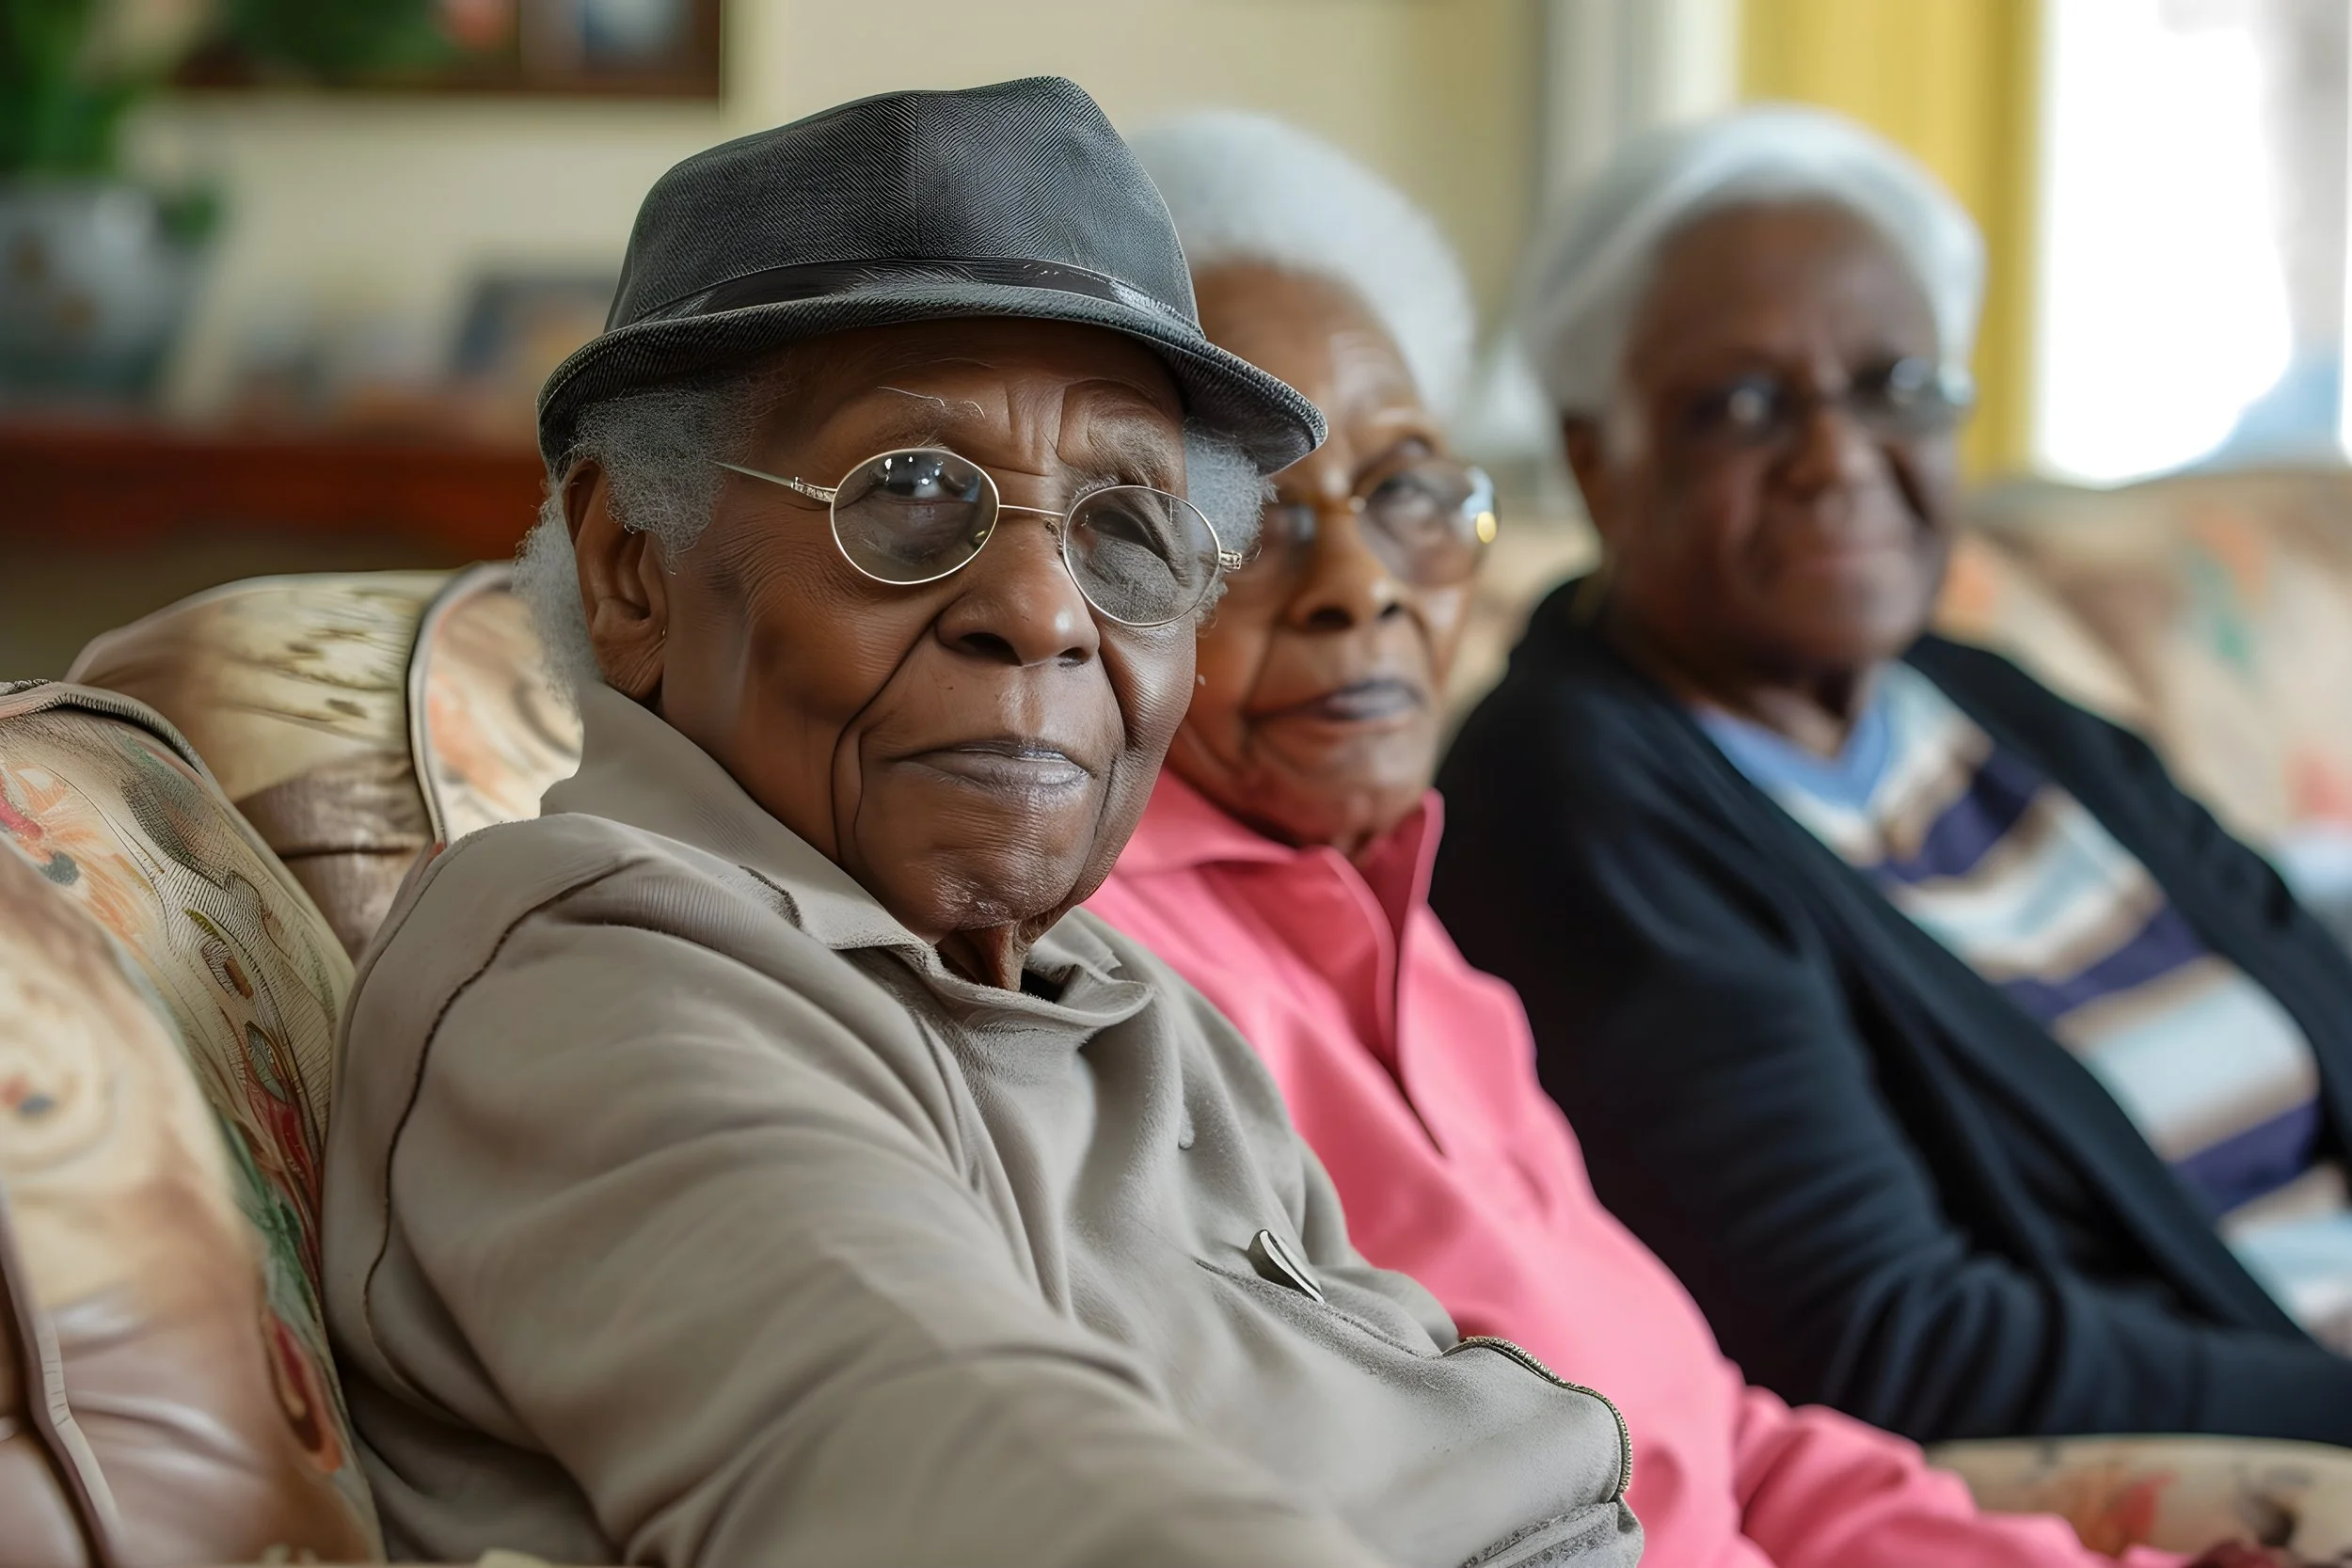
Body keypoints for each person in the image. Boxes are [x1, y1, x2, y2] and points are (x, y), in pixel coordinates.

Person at [318, 78, 1640, 1568]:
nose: (1043, 611)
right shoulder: (597, 983)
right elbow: (976, 1475)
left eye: (1127, 527)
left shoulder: (1150, 1017)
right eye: (910, 494)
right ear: (633, 567)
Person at [1087, 109, 2209, 1568]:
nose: (1358, 585)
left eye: (1406, 490)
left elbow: (1712, 1431)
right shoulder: (1106, 979)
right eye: (1251, 511)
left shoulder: (1400, 909)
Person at [1433, 104, 2352, 1449]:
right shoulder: (1576, 798)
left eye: (1895, 388)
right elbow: (1884, 1331)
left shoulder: (1982, 697)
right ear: (1598, 460)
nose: (1838, 458)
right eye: (1743, 405)